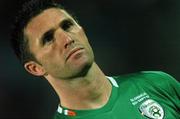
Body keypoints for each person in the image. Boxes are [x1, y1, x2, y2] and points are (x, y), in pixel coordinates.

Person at [10, 0, 180, 119]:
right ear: (35, 68)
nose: (67, 39)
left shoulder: (156, 84)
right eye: (48, 39)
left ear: (82, 30)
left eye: (68, 26)